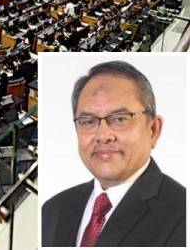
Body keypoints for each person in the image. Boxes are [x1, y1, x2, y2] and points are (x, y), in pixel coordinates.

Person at [42, 61, 185, 247]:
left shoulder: (182, 214)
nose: (103, 136)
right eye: (88, 121)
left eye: (120, 119)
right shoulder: (53, 209)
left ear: (153, 129)